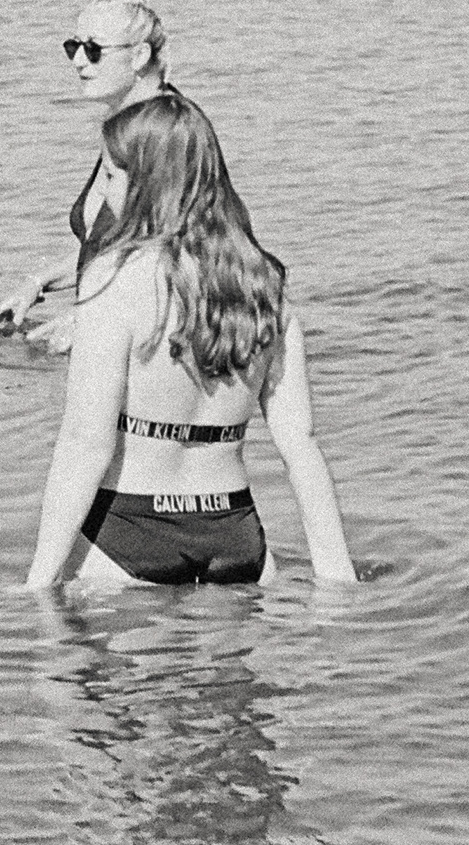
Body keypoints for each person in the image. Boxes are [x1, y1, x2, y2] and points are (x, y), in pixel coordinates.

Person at [18, 96, 354, 592]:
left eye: (110, 175)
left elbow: (85, 444)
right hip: (235, 532)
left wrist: (38, 586)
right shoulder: (263, 286)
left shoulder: (114, 278)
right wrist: (338, 578)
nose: (103, 192)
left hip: (127, 527)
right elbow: (300, 446)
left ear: (148, 183)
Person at [0, 0, 182, 344]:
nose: (78, 60)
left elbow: (175, 255)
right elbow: (110, 249)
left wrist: (92, 317)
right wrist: (38, 283)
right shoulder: (121, 128)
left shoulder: (166, 132)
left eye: (93, 49)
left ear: (139, 56)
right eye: (74, 47)